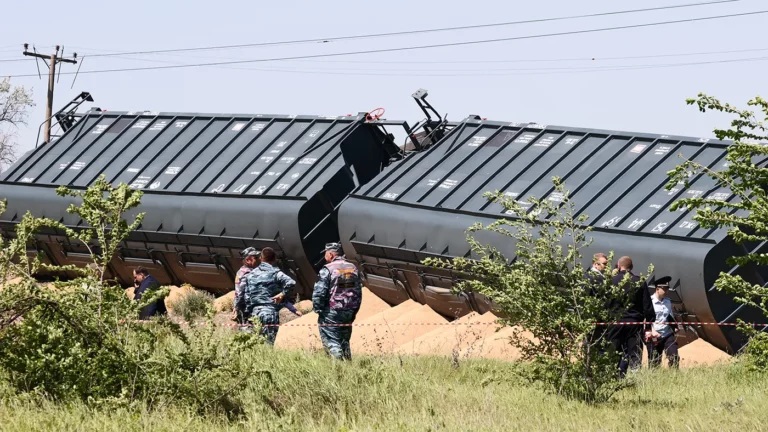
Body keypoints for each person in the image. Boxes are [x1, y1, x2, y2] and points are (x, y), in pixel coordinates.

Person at [312, 242, 363, 360]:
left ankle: (338, 368)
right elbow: (358, 291)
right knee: (345, 341)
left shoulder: (327, 269)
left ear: (330, 254)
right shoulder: (352, 268)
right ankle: (348, 367)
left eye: (325, 253)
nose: (325, 256)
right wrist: (354, 310)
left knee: (332, 341)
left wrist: (318, 309)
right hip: (349, 311)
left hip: (332, 312)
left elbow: (319, 292)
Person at [607, 256, 655, 377]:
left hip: (616, 323)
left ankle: (613, 378)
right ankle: (635, 379)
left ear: (618, 266)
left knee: (614, 352)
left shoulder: (611, 281)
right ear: (631, 267)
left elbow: (606, 303)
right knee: (635, 354)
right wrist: (648, 326)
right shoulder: (639, 281)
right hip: (635, 323)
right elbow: (647, 307)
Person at [243, 247, 296, 345]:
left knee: (256, 343)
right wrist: (282, 294)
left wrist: (249, 312)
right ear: (274, 259)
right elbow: (291, 282)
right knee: (268, 344)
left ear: (261, 258)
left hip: (255, 313)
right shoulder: (275, 272)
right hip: (269, 313)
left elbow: (247, 297)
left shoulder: (251, 274)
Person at [646, 276, 680, 369]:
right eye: (664, 289)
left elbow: (669, 315)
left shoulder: (668, 301)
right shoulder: (649, 302)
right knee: (654, 362)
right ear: (657, 289)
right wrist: (652, 331)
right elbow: (646, 318)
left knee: (674, 357)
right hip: (654, 335)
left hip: (667, 334)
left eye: (667, 289)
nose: (667, 291)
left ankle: (674, 377)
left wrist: (675, 326)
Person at [233, 247, 260, 324]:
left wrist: (236, 305)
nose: (258, 259)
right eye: (255, 258)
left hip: (244, 307)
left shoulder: (241, 271)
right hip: (247, 308)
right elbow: (241, 292)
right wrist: (237, 307)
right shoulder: (248, 274)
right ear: (248, 260)